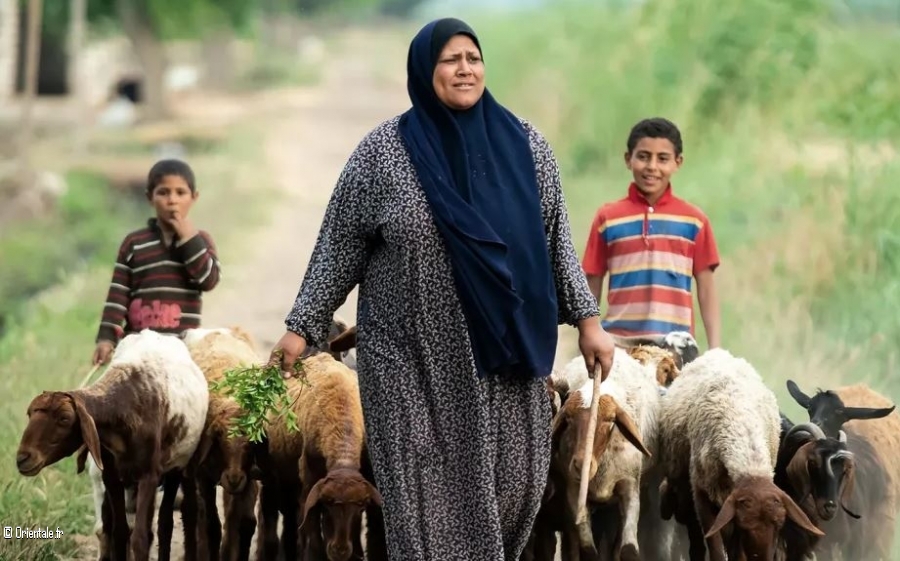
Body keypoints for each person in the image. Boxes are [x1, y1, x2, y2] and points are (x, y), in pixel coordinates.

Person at [268, 17, 615, 561]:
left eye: (473, 58)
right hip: (408, 360)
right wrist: (300, 328)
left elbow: (555, 242)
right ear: (424, 70)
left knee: (513, 489)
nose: (465, 68)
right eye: (450, 59)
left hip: (505, 353)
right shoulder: (382, 154)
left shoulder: (527, 147)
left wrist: (588, 321)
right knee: (424, 499)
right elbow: (337, 246)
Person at [581, 117, 721, 347]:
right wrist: (588, 334)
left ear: (678, 162)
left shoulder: (695, 221)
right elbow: (592, 282)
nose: (652, 167)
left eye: (662, 159)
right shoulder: (607, 218)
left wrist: (716, 350)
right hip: (618, 347)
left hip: (676, 347)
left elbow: (706, 289)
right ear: (628, 159)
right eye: (643, 157)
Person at [92, 158, 222, 365]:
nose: (172, 200)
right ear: (149, 197)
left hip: (182, 349)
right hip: (138, 347)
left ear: (194, 197)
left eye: (180, 193)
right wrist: (106, 338)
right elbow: (117, 296)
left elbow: (209, 280)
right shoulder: (134, 243)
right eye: (163, 192)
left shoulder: (201, 241)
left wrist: (189, 240)